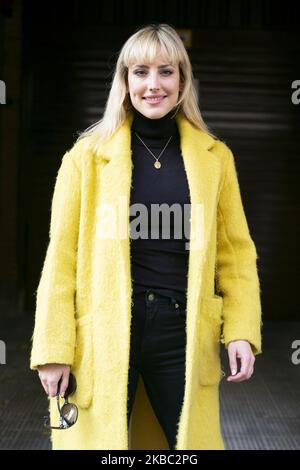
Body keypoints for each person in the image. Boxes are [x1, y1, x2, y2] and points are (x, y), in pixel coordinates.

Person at [30, 23, 262, 450]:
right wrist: (53, 348)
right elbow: (60, 257)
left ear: (182, 80)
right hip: (104, 332)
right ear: (124, 81)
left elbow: (236, 256)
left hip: (182, 333)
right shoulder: (85, 157)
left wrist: (242, 331)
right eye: (140, 72)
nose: (153, 85)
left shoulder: (216, 158)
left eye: (166, 71)